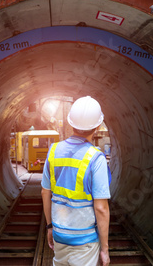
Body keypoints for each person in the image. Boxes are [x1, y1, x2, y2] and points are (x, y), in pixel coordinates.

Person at [41, 96, 111, 266]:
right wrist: (105, 249)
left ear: (70, 123)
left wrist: (50, 226)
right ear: (97, 126)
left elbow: (45, 192)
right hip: (84, 241)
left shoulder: (53, 151)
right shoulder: (96, 158)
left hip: (59, 236)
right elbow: (101, 208)